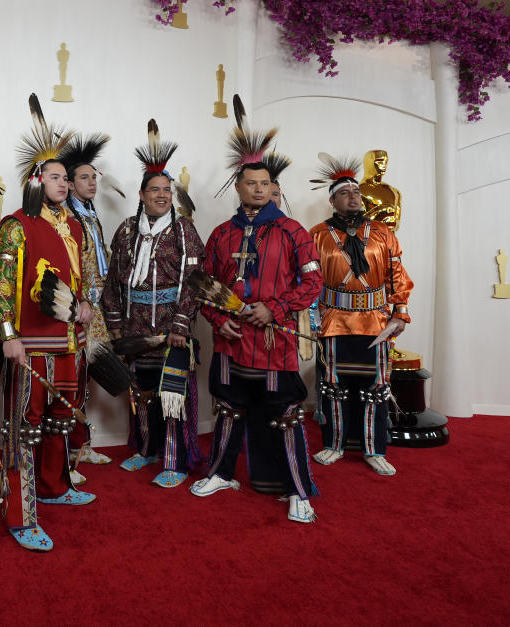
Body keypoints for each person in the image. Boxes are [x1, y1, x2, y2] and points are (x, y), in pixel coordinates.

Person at [190, 152, 323, 522]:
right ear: (238, 187)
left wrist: (275, 308)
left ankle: (297, 490)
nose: (260, 189)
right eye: (252, 183)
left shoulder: (293, 231)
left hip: (274, 343)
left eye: (265, 183)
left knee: (285, 414)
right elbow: (204, 287)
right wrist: (218, 319)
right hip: (231, 341)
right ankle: (220, 473)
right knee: (230, 408)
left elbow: (314, 283)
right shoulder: (221, 234)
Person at [0, 94, 96, 551]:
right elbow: (0, 286)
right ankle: (21, 513)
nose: (65, 184)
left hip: (67, 341)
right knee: (23, 426)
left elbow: (85, 277)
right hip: (30, 344)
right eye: (55, 177)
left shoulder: (75, 226)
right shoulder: (16, 225)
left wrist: (87, 306)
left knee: (59, 419)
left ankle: (54, 488)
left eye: (66, 178)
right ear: (36, 181)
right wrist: (7, 334)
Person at [102, 120, 205, 488]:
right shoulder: (127, 230)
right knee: (142, 394)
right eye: (155, 190)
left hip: (170, 329)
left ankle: (175, 460)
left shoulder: (184, 231)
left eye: (167, 189)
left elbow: (195, 284)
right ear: (142, 194)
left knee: (172, 397)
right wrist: (115, 325)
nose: (162, 195)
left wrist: (180, 325)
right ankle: (146, 448)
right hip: (133, 327)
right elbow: (112, 281)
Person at [308, 156, 413, 475]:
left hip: (376, 322)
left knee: (376, 388)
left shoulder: (382, 233)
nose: (353, 196)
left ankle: (374, 448)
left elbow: (397, 273)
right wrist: (311, 317)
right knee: (332, 387)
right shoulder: (318, 234)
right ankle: (334, 444)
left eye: (356, 191)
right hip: (333, 321)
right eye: (345, 192)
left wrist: (401, 311)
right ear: (332, 200)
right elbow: (309, 278)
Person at [59, 133, 117, 482]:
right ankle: (65, 451)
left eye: (95, 177)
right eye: (84, 177)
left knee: (84, 378)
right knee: (70, 376)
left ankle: (81, 444)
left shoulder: (90, 215)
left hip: (96, 307)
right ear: (68, 182)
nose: (92, 182)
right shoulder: (67, 217)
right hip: (76, 308)